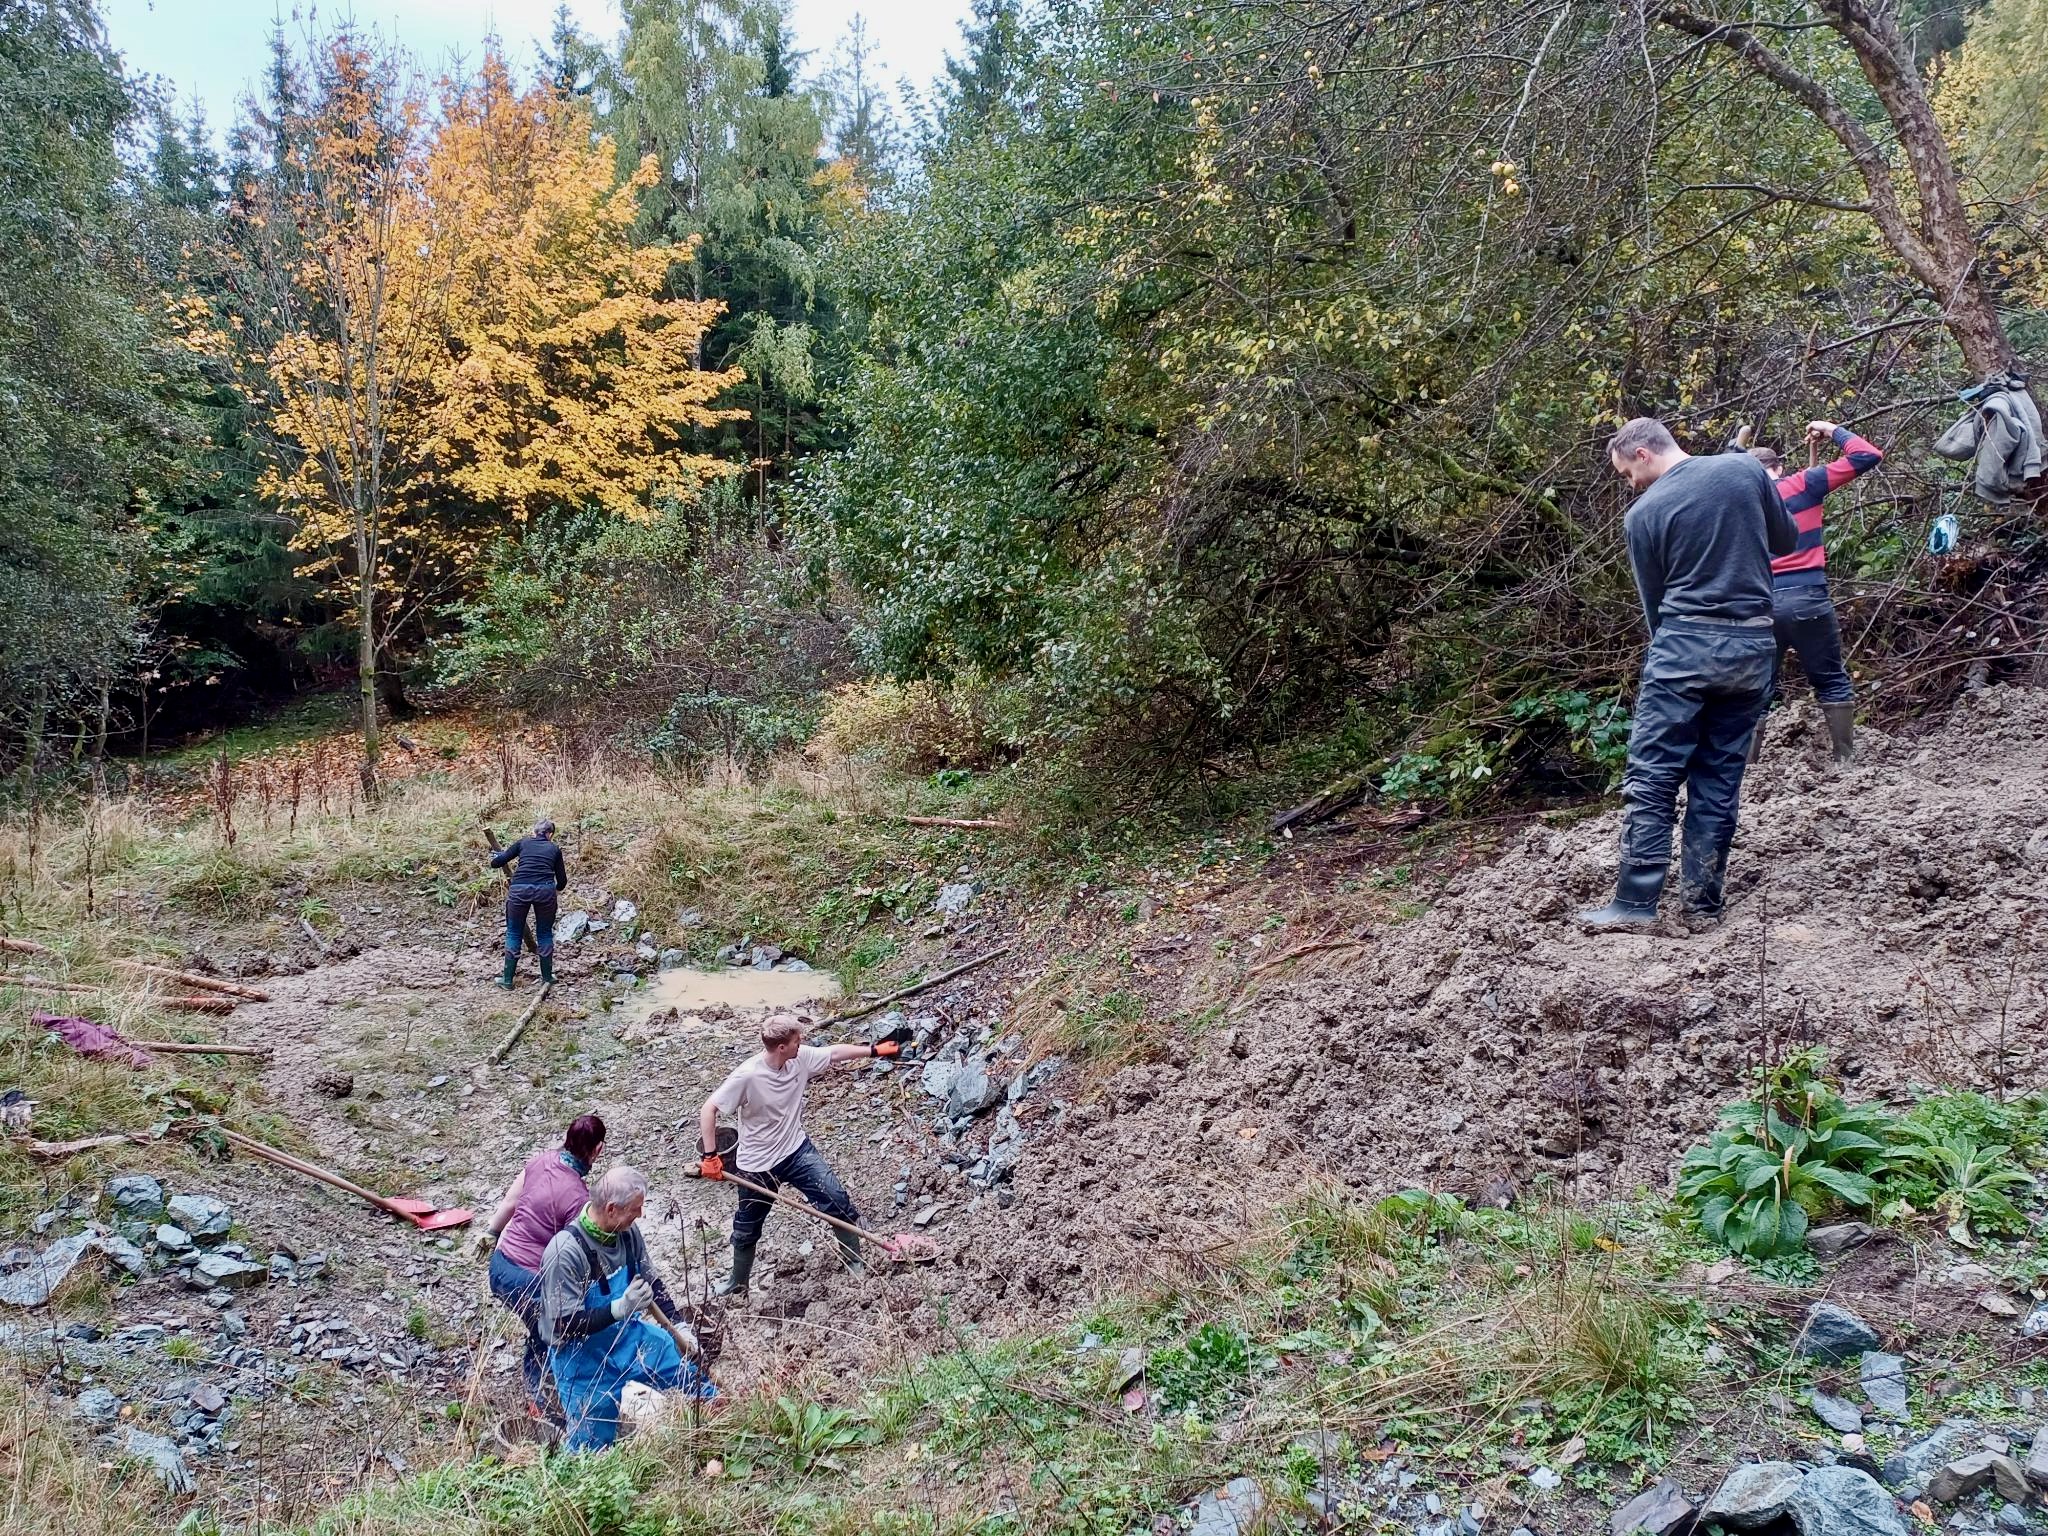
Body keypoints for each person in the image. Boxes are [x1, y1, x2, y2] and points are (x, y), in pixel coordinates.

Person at [1581, 417, 1798, 931]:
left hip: (1684, 648)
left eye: (1625, 474)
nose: (1630, 486)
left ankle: (1634, 904)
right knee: (1720, 777)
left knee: (1653, 776)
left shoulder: (1643, 515)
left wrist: (1676, 650)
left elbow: (1654, 609)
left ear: (1640, 453)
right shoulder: (1745, 471)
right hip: (1752, 647)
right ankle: (1702, 904)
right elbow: (1786, 539)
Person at [696, 1015, 899, 1295]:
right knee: (747, 1227)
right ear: (781, 1047)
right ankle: (737, 1282)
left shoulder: (799, 1058)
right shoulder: (748, 1075)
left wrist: (874, 1050)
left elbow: (835, 1053)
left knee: (835, 1198)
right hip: (757, 1164)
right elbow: (709, 1109)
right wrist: (710, 1156)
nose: (801, 1044)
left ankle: (854, 1259)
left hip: (795, 1149)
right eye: (796, 1041)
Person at [538, 1164, 713, 1451]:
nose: (640, 1215)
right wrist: (619, 1308)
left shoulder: (627, 1233)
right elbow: (563, 1324)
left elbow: (651, 1281)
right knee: (591, 1444)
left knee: (683, 1372)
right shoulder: (565, 1252)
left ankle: (718, 1410)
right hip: (582, 1361)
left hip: (627, 1338)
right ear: (611, 1209)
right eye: (635, 1208)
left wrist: (679, 1325)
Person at [1747, 420, 1884, 763]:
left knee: (1756, 692)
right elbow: (1868, 455)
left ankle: (1747, 770)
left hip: (1760, 604)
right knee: (1831, 681)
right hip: (1807, 596)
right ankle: (1845, 763)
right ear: (1778, 467)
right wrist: (1830, 429)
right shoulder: (1803, 485)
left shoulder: (1739, 501)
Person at [474, 1112, 605, 1417]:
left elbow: (509, 1202)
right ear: (597, 1149)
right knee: (552, 1330)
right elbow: (575, 1255)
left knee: (543, 1325)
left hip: (500, 1267)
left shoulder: (540, 1161)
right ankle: (542, 1399)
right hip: (528, 1281)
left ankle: (542, 1391)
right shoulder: (577, 1197)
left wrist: (490, 1234)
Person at [490, 818, 568, 988]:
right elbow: (562, 880)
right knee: (545, 933)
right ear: (550, 835)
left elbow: (496, 863)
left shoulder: (523, 843)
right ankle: (547, 977)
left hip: (519, 891)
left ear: (534, 832)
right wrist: (554, 889)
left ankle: (507, 980)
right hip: (545, 892)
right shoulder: (554, 848)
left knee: (514, 932)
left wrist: (496, 856)